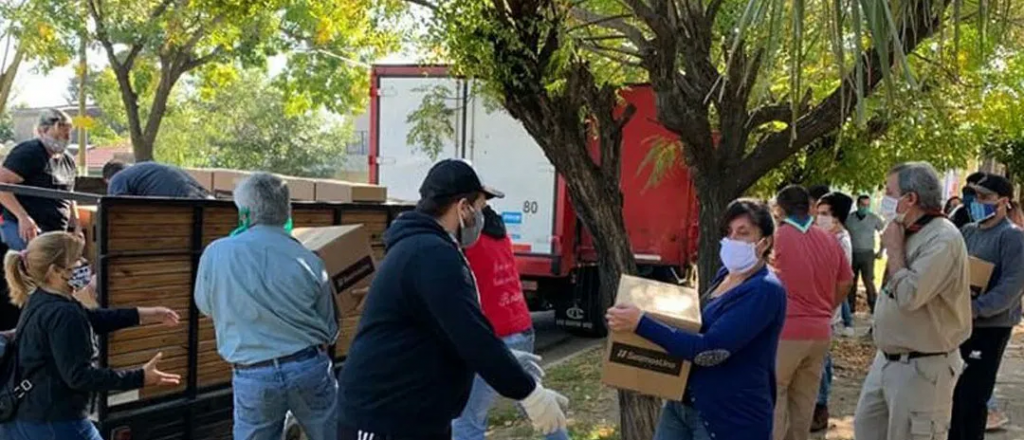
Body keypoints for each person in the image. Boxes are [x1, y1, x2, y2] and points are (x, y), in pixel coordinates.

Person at [337, 159, 568, 440]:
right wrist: (530, 395)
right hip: (385, 418)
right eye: (479, 209)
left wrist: (506, 359)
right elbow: (471, 334)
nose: (482, 219)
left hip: (413, 414)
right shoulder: (429, 253)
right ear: (462, 207)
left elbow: (452, 330)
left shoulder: (424, 247)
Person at [606, 198, 786, 440]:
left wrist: (641, 324)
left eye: (743, 233)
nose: (733, 240)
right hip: (684, 404)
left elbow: (710, 350)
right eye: (729, 232)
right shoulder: (727, 275)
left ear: (765, 242)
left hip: (729, 417)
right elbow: (693, 325)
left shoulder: (765, 290)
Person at [194, 173, 339, 440]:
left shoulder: (216, 253)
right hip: (308, 368)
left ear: (244, 213)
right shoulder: (309, 259)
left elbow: (206, 306)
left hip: (253, 375)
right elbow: (329, 328)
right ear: (287, 210)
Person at [0, 232, 180, 440]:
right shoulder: (64, 313)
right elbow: (80, 376)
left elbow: (91, 319)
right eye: (76, 259)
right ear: (55, 270)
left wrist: (149, 314)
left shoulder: (42, 300)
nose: (84, 263)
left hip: (25, 417)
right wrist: (140, 377)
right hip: (56, 423)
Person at [853, 162, 971, 440]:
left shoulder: (943, 239)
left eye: (889, 191)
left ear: (910, 199)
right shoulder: (906, 229)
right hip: (886, 360)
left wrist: (893, 249)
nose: (884, 198)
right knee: (866, 428)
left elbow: (909, 296)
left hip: (922, 369)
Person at [452, 205, 569, 440]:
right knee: (536, 403)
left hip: (494, 337)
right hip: (521, 329)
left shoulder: (465, 243)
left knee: (467, 421)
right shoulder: (499, 233)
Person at [771, 185, 852, 440]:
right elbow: (845, 281)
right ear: (809, 208)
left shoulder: (778, 238)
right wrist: (828, 308)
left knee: (776, 395)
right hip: (820, 331)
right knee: (804, 400)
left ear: (779, 210)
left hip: (787, 329)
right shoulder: (829, 238)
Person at [948, 174, 1024, 440]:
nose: (976, 202)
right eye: (975, 196)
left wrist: (978, 308)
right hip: (960, 324)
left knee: (973, 396)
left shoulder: (1012, 237)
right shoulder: (968, 231)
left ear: (1003, 202)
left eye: (984, 197)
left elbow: (1012, 287)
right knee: (954, 395)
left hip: (991, 327)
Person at [0, 109, 79, 251]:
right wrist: (22, 217)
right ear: (43, 131)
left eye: (67, 135)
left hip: (56, 232)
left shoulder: (68, 160)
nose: (64, 139)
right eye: (58, 135)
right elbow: (2, 185)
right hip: (26, 231)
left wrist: (77, 225)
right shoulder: (29, 153)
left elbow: (70, 195)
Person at [810, 191, 854, 433]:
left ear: (838, 217)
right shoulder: (824, 237)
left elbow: (843, 281)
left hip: (825, 310)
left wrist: (829, 308)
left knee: (822, 361)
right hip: (815, 308)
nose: (820, 218)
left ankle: (820, 407)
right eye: (818, 213)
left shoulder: (841, 242)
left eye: (825, 214)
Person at [845, 195, 884, 314]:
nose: (865, 207)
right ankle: (850, 309)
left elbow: (884, 234)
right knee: (851, 282)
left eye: (867, 205)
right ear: (858, 205)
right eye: (863, 205)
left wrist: (881, 251)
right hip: (853, 254)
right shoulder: (849, 219)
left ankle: (874, 309)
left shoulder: (874, 218)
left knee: (869, 282)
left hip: (868, 254)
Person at [102, 160, 211, 199]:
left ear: (108, 179)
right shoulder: (141, 169)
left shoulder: (117, 178)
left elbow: (118, 207)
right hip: (199, 193)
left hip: (179, 201)